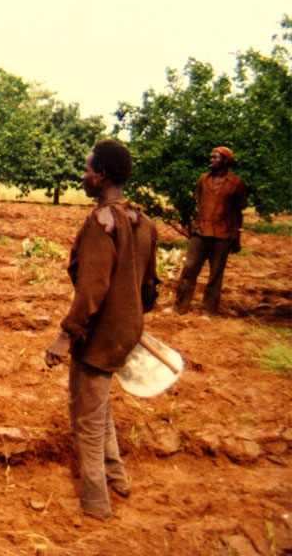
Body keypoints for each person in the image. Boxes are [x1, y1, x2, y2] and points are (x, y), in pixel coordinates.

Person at [45, 139, 159, 522]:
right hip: (126, 330)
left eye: (87, 169)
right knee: (99, 403)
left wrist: (66, 334)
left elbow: (92, 287)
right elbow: (149, 289)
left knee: (86, 417)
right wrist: (129, 318)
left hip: (98, 333)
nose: (83, 176)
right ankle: (116, 475)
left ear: (103, 176)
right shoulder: (143, 222)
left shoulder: (100, 223)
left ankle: (95, 501)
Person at [172, 147, 247, 315]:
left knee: (215, 274)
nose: (211, 160)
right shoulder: (203, 179)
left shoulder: (236, 183)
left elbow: (237, 212)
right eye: (211, 157)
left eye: (216, 157)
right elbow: (201, 204)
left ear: (225, 161)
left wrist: (236, 236)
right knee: (189, 268)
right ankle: (180, 307)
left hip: (222, 234)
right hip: (200, 231)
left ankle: (208, 310)